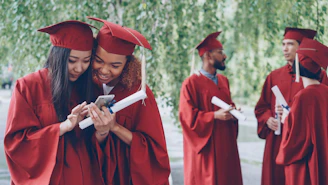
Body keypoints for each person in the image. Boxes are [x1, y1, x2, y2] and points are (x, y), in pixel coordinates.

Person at [4, 20, 106, 185]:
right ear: (57, 56)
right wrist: (63, 127)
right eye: (72, 60)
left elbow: (97, 147)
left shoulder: (91, 88)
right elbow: (17, 144)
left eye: (86, 60)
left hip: (86, 178)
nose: (79, 68)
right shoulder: (28, 87)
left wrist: (103, 131)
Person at [86, 17, 170, 185]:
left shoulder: (139, 94)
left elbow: (155, 151)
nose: (104, 70)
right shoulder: (87, 86)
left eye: (115, 66)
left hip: (128, 177)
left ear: (127, 65)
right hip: (95, 174)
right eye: (99, 60)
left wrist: (114, 127)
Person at [254, 27, 328, 185]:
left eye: (290, 44)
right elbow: (261, 107)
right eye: (283, 44)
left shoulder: (318, 75)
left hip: (305, 143)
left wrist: (291, 117)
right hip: (278, 140)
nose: (284, 48)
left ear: (300, 48)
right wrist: (268, 119)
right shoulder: (274, 76)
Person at [179, 32, 243, 185]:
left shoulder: (223, 81)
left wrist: (234, 114)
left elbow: (228, 106)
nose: (225, 56)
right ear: (208, 56)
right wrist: (213, 116)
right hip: (206, 150)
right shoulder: (191, 84)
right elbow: (187, 118)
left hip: (225, 146)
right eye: (220, 52)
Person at [276, 38, 328, 185]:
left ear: (299, 66)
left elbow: (296, 140)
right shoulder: (325, 92)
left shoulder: (303, 96)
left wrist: (286, 119)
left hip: (305, 165)